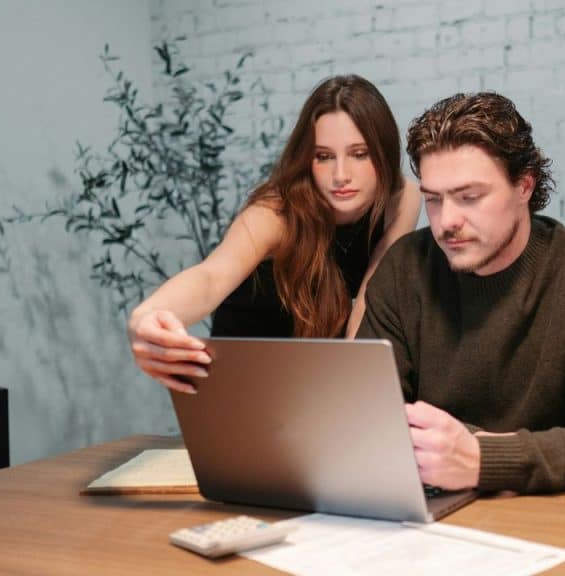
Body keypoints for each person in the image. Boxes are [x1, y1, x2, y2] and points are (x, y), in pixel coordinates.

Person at [358, 92, 565, 494]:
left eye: (469, 198)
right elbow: (364, 419)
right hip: (437, 520)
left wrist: (488, 460)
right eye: (433, 200)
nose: (446, 221)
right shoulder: (404, 271)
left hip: (564, 522)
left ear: (524, 187)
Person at [129, 75, 421, 394]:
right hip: (247, 366)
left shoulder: (402, 198)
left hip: (312, 367)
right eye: (323, 156)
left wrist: (345, 388)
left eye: (359, 153)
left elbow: (369, 298)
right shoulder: (276, 212)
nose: (341, 175)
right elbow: (211, 277)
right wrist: (146, 318)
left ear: (383, 151)